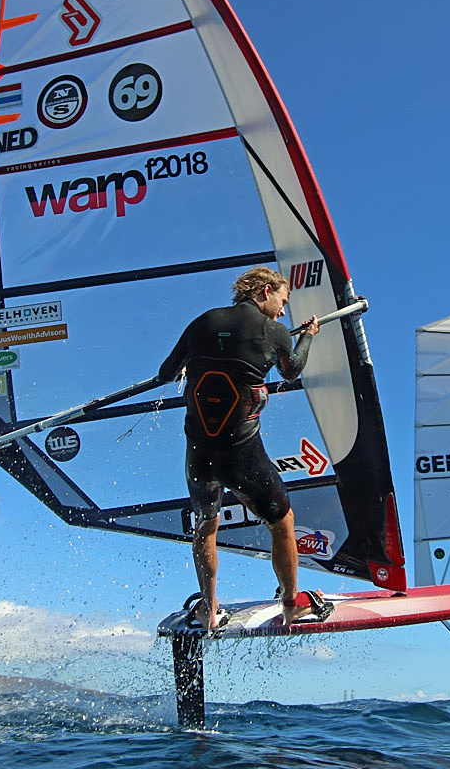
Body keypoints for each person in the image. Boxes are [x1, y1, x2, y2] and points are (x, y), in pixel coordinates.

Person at [158, 266, 323, 630]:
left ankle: (210, 609)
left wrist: (189, 367)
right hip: (242, 452)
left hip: (200, 453)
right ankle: (292, 604)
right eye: (283, 300)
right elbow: (291, 369)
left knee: (206, 526)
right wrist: (308, 336)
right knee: (282, 522)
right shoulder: (274, 331)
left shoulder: (202, 322)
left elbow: (165, 373)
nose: (283, 311)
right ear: (266, 291)